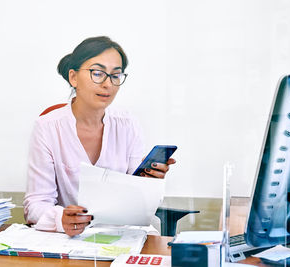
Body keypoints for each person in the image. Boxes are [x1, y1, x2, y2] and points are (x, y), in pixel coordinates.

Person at [23, 36, 176, 237]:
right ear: (73, 77)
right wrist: (60, 218)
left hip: (124, 236)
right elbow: (35, 204)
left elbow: (139, 203)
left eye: (116, 75)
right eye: (97, 73)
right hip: (69, 240)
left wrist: (150, 183)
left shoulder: (128, 125)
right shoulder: (47, 127)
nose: (108, 84)